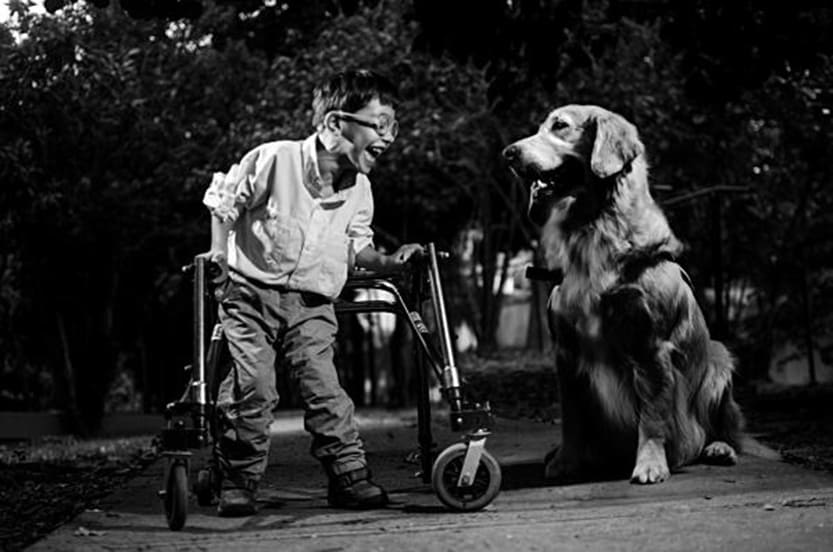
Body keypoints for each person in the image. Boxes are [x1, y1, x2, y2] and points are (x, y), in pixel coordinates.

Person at [201, 69, 423, 517]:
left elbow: (357, 245)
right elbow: (225, 201)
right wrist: (218, 252)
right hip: (250, 297)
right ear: (334, 124)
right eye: (380, 124)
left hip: (313, 304)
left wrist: (387, 261)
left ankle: (348, 476)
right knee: (254, 388)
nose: (389, 137)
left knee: (326, 389)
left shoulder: (360, 189)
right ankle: (239, 478)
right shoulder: (274, 159)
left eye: (393, 126)